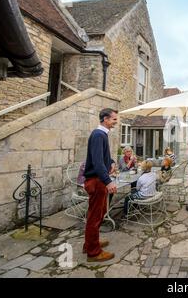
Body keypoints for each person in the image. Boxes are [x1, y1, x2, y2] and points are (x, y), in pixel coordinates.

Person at [83, 108, 118, 262]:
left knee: (97, 214)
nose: (116, 122)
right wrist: (108, 181)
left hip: (99, 180)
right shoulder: (98, 135)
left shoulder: (102, 134)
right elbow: (97, 163)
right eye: (114, 119)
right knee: (95, 217)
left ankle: (90, 243)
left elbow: (102, 158)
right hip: (96, 181)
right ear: (105, 119)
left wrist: (110, 162)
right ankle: (93, 252)